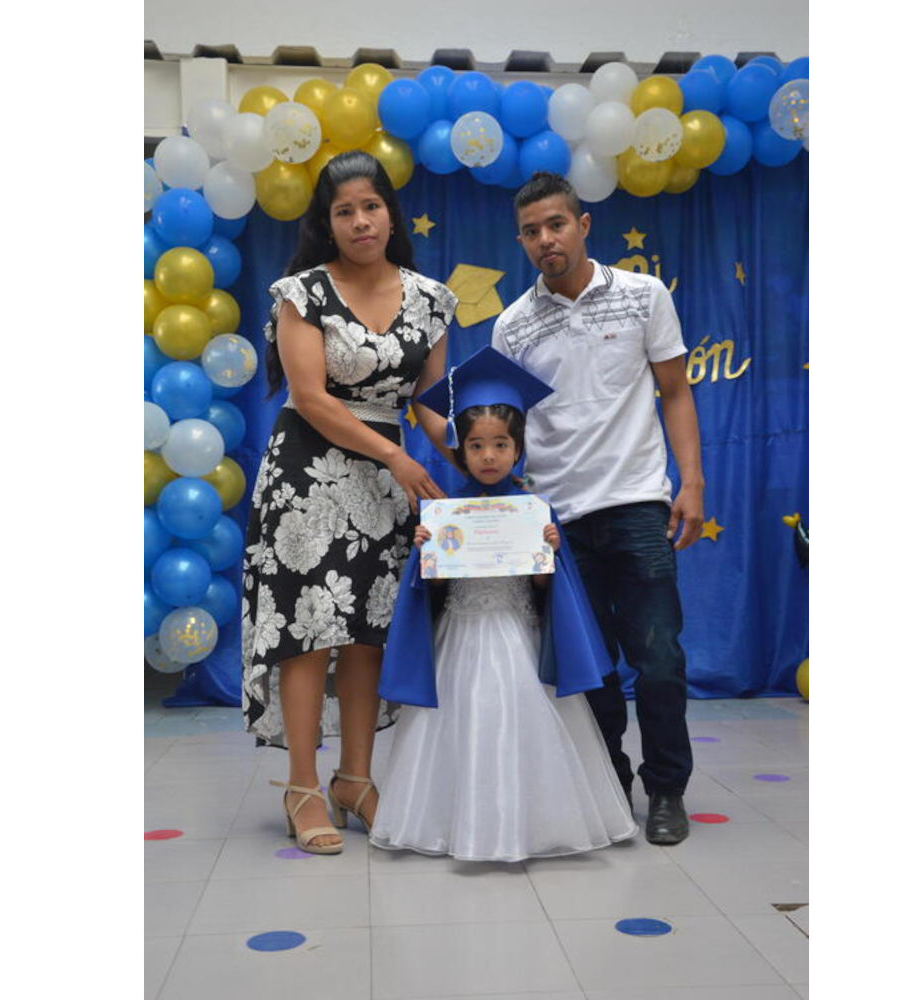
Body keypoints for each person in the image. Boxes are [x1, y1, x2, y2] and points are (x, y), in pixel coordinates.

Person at [241, 151, 457, 855]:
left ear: (390, 213)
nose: (360, 221)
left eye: (370, 206)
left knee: (369, 632)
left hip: (385, 486)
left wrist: (479, 454)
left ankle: (355, 779)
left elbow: (429, 406)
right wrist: (395, 456)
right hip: (308, 473)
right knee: (310, 630)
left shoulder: (432, 299)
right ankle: (303, 786)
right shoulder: (301, 293)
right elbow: (309, 396)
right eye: (344, 211)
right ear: (327, 224)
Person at [490, 172, 706, 845]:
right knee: (590, 669)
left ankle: (667, 789)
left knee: (659, 659)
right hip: (556, 520)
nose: (545, 240)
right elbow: (505, 423)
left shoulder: (644, 295)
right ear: (521, 241)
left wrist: (692, 483)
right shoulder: (511, 325)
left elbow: (675, 392)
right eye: (531, 231)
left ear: (583, 225)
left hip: (638, 502)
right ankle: (609, 784)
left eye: (556, 224)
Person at [371, 347, 638, 861]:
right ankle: (459, 826)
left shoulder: (535, 512)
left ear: (518, 448)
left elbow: (544, 591)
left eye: (500, 444)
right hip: (461, 636)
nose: (489, 456)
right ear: (460, 448)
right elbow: (434, 592)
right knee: (462, 730)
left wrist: (548, 558)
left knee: (525, 730)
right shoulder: (445, 512)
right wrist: (426, 552)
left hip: (519, 636)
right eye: (476, 445)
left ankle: (531, 825)